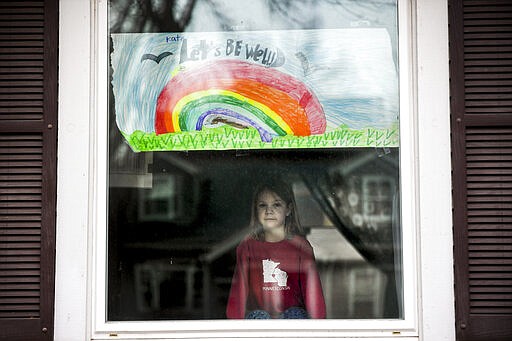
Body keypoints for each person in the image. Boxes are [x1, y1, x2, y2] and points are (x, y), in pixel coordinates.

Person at [226, 178, 326, 319]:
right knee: (258, 316)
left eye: (276, 205)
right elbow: (239, 290)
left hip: (293, 316)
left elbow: (312, 291)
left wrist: (318, 325)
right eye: (262, 205)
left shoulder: (301, 247)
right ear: (256, 210)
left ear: (288, 209)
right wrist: (234, 325)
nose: (269, 211)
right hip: (260, 317)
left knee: (295, 314)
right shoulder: (247, 246)